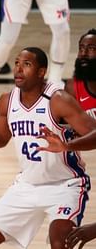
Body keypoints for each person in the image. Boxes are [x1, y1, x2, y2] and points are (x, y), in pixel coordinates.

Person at [0, 47, 96, 249]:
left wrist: (66, 146)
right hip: (26, 186)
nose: (18, 69)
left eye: (27, 64)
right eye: (16, 63)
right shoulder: (7, 101)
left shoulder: (58, 100)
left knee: (61, 244)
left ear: (42, 72)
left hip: (65, 186)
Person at [34, 29, 96, 249]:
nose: (84, 54)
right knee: (59, 240)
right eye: (81, 48)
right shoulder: (73, 87)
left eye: (91, 49)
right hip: (78, 165)